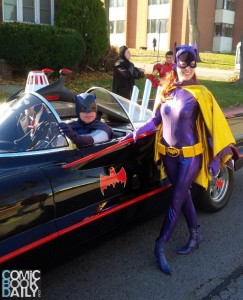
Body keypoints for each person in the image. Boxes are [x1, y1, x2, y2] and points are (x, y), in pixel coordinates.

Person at [121, 44, 235, 275]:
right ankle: (195, 234)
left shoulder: (202, 94)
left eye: (192, 64)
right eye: (183, 63)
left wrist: (217, 158)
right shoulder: (168, 90)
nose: (188, 68)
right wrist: (138, 130)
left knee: (175, 199)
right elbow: (156, 120)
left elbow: (215, 128)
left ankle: (159, 245)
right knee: (183, 199)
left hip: (190, 158)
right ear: (175, 64)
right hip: (168, 157)